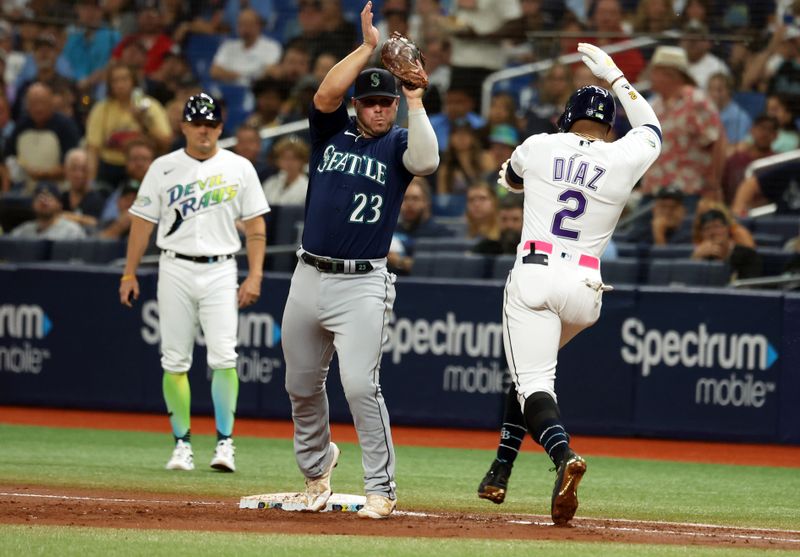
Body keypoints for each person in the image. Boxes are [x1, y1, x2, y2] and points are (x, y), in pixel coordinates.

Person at [478, 43, 661, 525]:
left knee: (533, 381)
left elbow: (511, 179)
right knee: (525, 376)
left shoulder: (539, 144)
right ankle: (501, 467)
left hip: (536, 277)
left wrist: (514, 180)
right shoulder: (624, 156)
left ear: (566, 119)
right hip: (586, 289)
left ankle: (563, 458)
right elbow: (653, 128)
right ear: (608, 126)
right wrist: (616, 75)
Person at [281, 1, 438, 520]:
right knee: (300, 385)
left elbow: (428, 162)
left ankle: (381, 487)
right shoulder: (331, 131)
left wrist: (415, 103)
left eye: (384, 102)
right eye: (369, 102)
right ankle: (316, 471)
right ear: (357, 104)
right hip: (308, 274)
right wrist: (368, 47)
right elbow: (325, 93)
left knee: (358, 387)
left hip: (362, 283)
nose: (377, 109)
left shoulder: (398, 143)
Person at [118, 93, 269, 473]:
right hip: (175, 266)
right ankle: (182, 444)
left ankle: (225, 443)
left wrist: (255, 274)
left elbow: (256, 227)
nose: (204, 130)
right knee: (174, 358)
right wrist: (128, 271)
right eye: (197, 123)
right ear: (184, 126)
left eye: (211, 123)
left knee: (224, 355)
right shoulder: (163, 167)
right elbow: (141, 222)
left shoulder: (239, 167)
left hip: (221, 267)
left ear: (221, 126)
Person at [691, 208, 763, 280]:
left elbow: (750, 287)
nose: (712, 232)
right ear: (701, 234)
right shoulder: (702, 257)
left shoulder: (748, 255)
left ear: (727, 228)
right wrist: (695, 259)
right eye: (707, 228)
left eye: (717, 226)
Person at [10, 181, 87, 240]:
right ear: (32, 204)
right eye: (39, 197)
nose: (43, 201)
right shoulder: (23, 232)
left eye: (49, 197)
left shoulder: (72, 231)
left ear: (59, 204)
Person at [261, 136, 309, 206]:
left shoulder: (307, 187)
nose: (289, 163)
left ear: (303, 161)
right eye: (285, 158)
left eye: (294, 158)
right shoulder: (269, 183)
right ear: (277, 161)